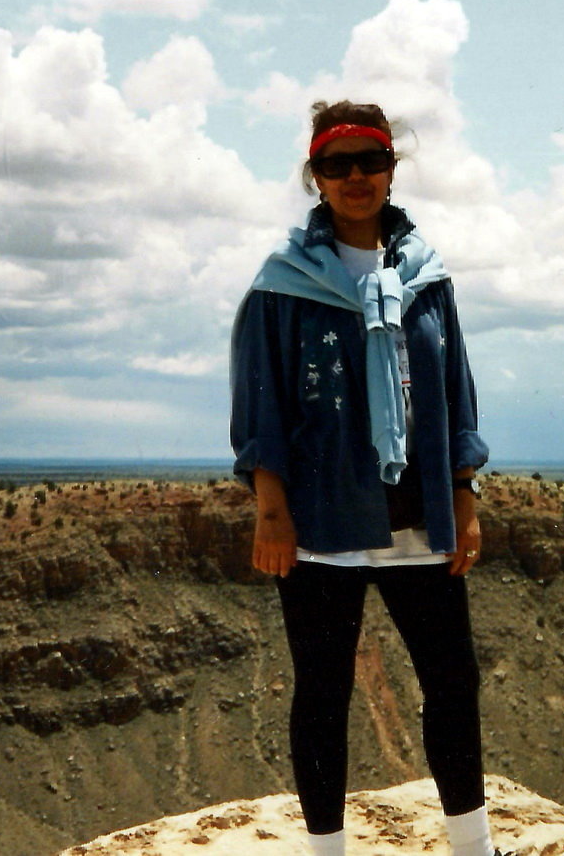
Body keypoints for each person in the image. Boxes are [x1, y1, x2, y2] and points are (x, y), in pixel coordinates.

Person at [230, 101, 510, 856]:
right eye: (337, 163)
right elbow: (262, 398)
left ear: (391, 168)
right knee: (323, 694)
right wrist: (270, 510)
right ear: (315, 176)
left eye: (370, 161)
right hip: (323, 518)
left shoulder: (427, 276)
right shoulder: (283, 284)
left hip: (419, 514)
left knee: (452, 683)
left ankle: (473, 847)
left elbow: (455, 387)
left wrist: (464, 492)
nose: (356, 176)